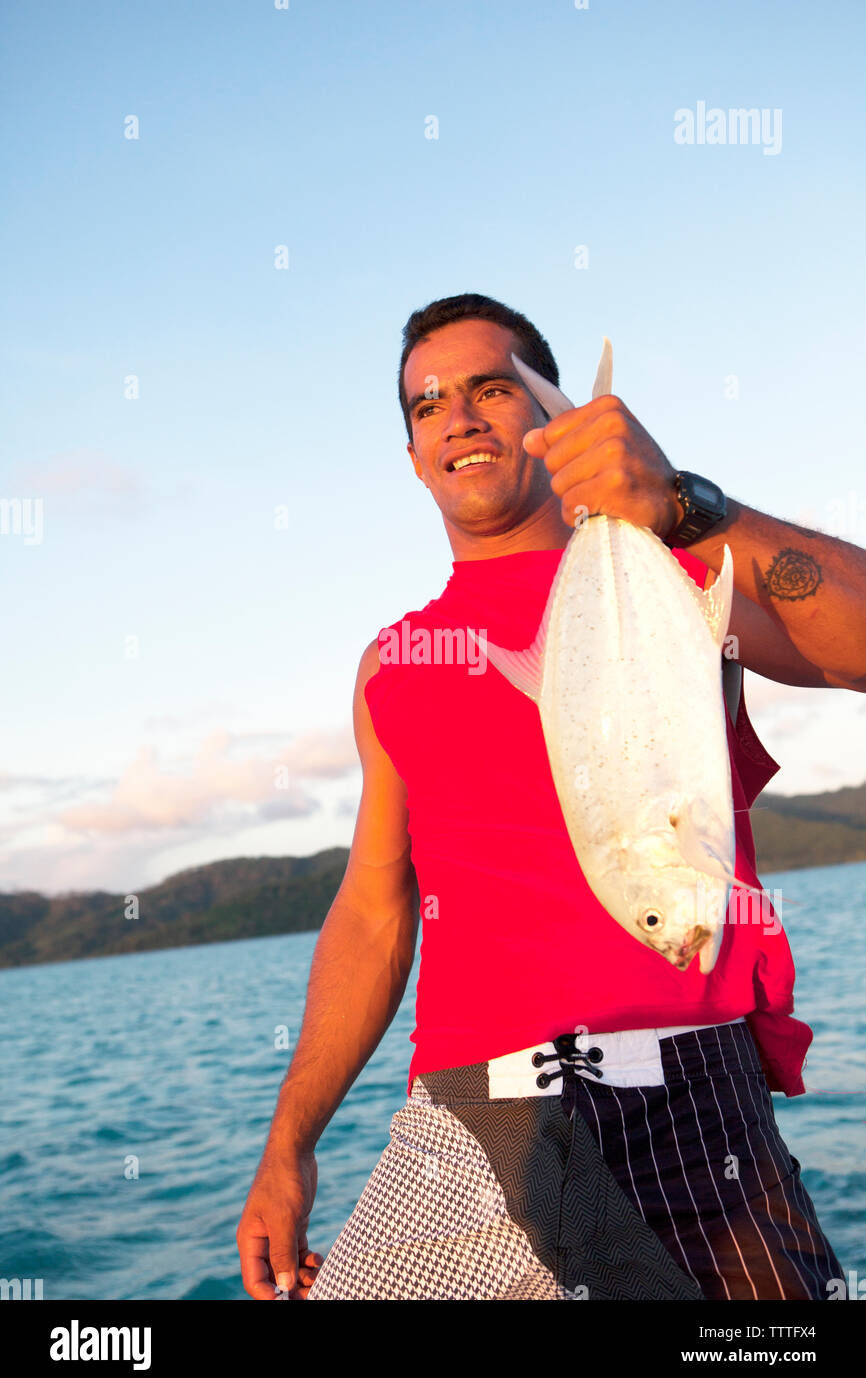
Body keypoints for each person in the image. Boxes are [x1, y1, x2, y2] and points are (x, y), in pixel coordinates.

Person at [237, 293, 864, 1301]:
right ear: (411, 454)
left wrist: (681, 502)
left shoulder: (673, 571)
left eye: (493, 387)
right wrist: (287, 1147)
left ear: (555, 413)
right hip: (468, 1119)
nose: (459, 415)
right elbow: (370, 908)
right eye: (427, 402)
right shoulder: (389, 667)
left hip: (686, 1096)